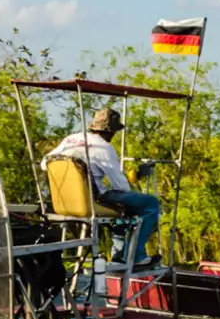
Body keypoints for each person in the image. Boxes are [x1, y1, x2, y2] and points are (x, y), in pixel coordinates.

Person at [45, 107, 161, 268]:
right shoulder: (104, 148)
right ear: (111, 132)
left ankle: (119, 255)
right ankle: (135, 256)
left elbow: (46, 163)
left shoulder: (70, 139)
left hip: (65, 203)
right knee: (150, 203)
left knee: (123, 204)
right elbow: (121, 186)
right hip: (94, 199)